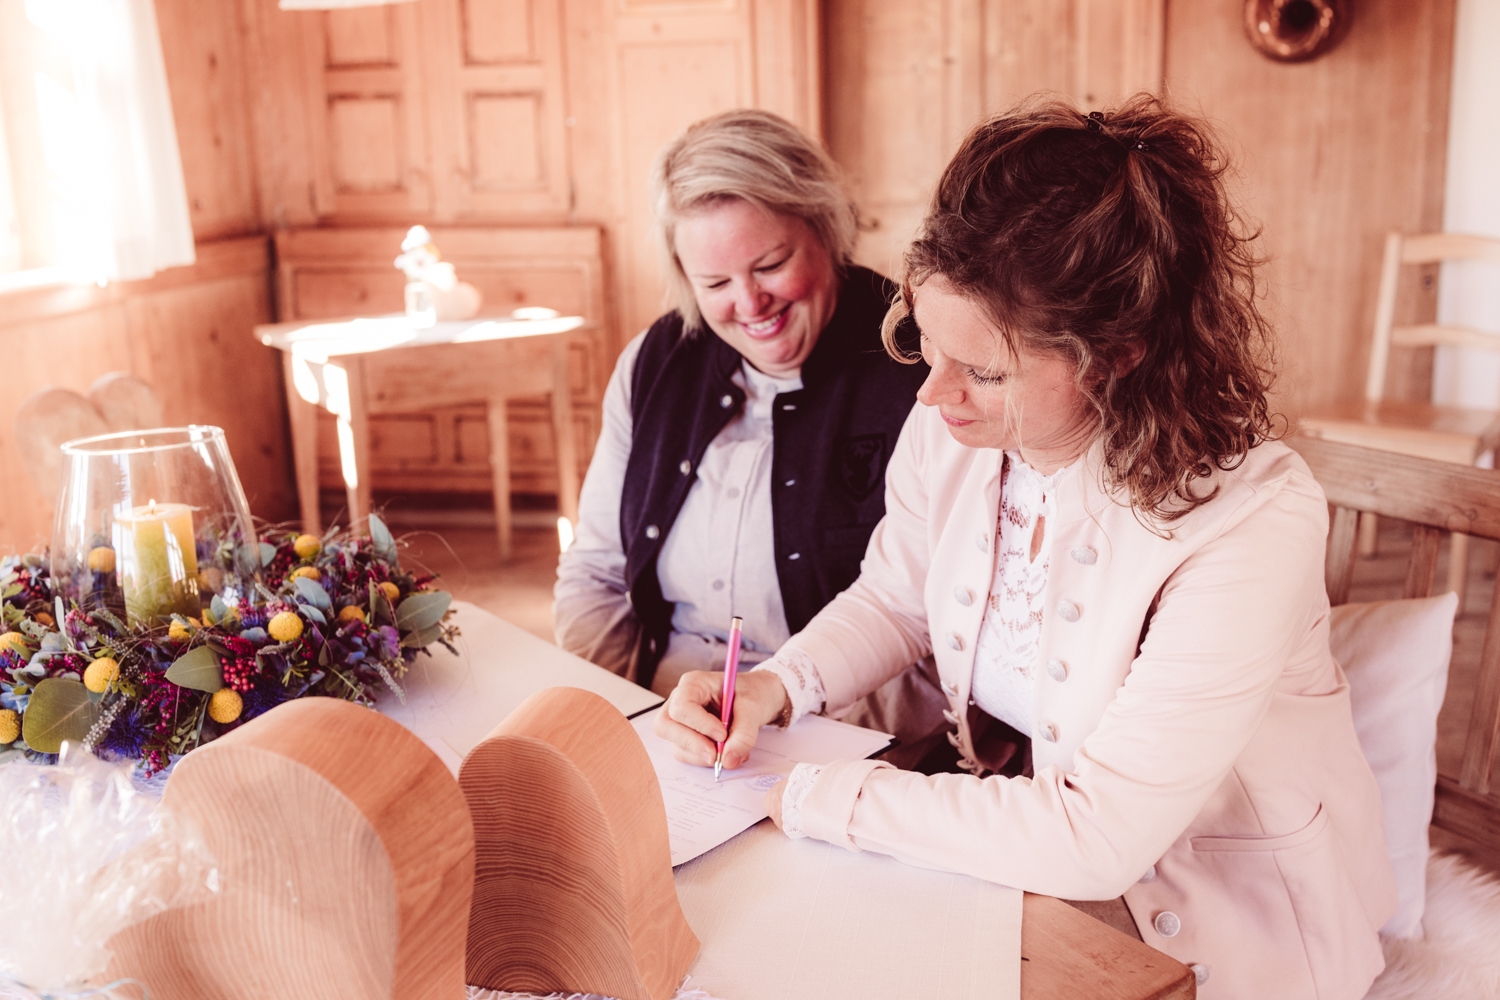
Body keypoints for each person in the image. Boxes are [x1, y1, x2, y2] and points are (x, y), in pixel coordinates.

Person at [654, 96, 1397, 1000]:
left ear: (1116, 353)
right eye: (928, 347)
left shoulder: (1252, 520)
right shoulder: (959, 430)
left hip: (1217, 915)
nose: (934, 396)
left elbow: (1097, 835)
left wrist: (804, 793)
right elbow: (894, 596)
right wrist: (778, 686)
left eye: (985, 370)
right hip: (1030, 864)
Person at [554, 110, 933, 719]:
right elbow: (596, 574)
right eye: (714, 282)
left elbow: (935, 633)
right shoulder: (654, 364)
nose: (749, 304)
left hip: (844, 724)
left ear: (826, 229)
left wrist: (799, 748)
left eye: (771, 265)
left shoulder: (920, 364)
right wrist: (617, 717)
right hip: (663, 711)